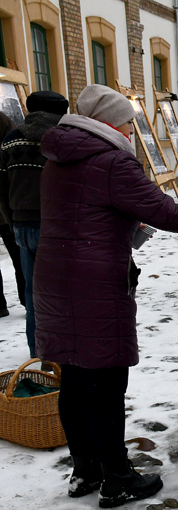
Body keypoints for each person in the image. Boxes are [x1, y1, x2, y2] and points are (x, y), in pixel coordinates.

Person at [35, 85, 178, 507]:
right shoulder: (112, 161)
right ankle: (117, 479)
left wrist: (126, 225)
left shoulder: (57, 158)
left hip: (55, 279)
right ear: (108, 124)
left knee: (74, 377)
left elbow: (81, 214)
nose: (132, 131)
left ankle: (85, 470)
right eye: (128, 124)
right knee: (107, 380)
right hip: (95, 285)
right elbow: (172, 213)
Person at [0, 91, 69, 354]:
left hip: (21, 224)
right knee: (62, 293)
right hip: (54, 225)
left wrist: (12, 221)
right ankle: (61, 354)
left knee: (34, 295)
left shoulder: (10, 140)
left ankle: (39, 352)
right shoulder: (62, 138)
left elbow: (1, 188)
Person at [0, 111, 25, 318]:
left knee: (20, 259)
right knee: (20, 260)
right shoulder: (12, 146)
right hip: (10, 211)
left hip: (9, 211)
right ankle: (27, 302)